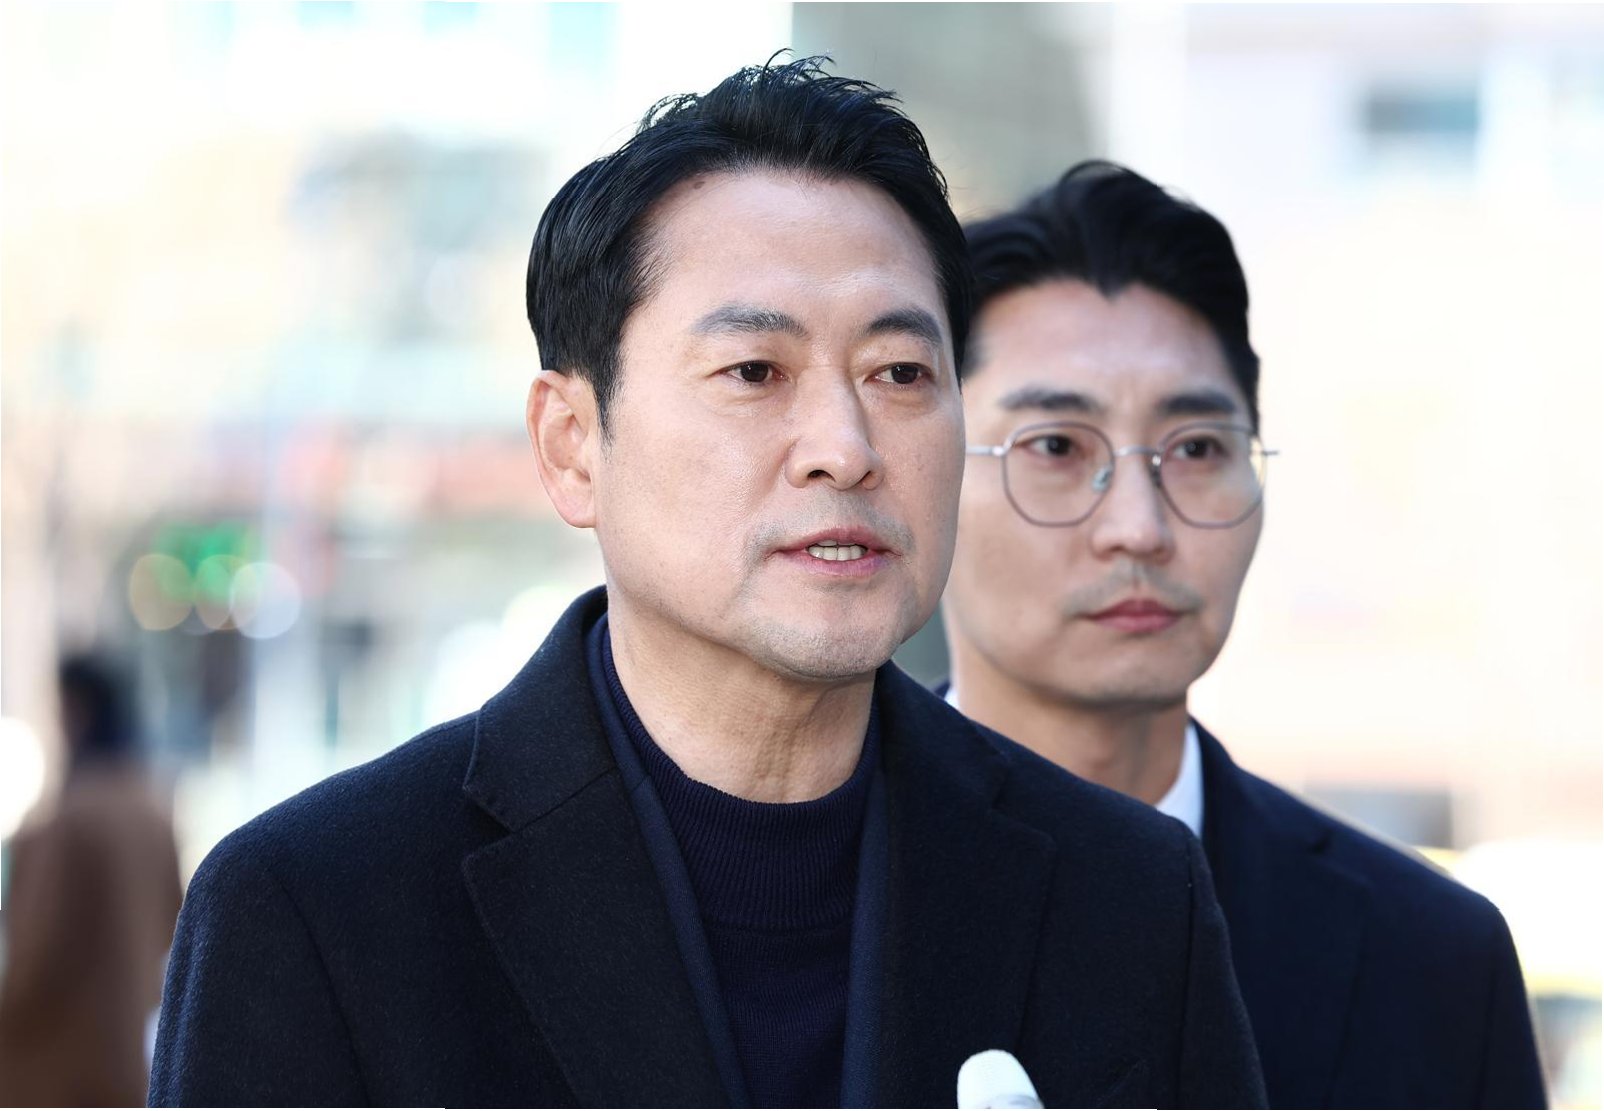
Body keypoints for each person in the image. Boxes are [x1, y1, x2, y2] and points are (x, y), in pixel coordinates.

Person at [149, 65, 1266, 1108]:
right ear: (572, 444)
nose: (844, 448)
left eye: (899, 373)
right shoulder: (320, 909)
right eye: (753, 372)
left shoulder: (1129, 899)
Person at [944, 159, 1547, 1109]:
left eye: (1196, 449)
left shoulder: (1433, 959)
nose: (1139, 526)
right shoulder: (799, 886)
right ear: (928, 470)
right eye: (1055, 447)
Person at [0, 653, 184, 1106]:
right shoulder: (153, 812)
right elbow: (173, 927)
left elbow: (34, 964)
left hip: (55, 1070)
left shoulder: (71, 823)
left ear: (76, 712)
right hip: (127, 1065)